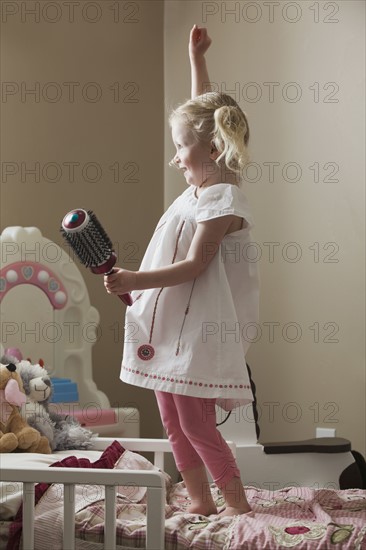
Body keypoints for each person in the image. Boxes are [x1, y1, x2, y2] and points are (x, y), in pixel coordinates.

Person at [104, 24, 259, 517]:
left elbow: (195, 266)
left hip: (200, 331)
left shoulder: (222, 197)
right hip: (175, 325)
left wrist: (132, 281)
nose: (175, 158)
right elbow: (203, 115)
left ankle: (235, 504)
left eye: (181, 149)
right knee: (172, 420)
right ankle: (199, 502)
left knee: (196, 423)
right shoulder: (202, 179)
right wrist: (196, 59)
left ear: (213, 152)